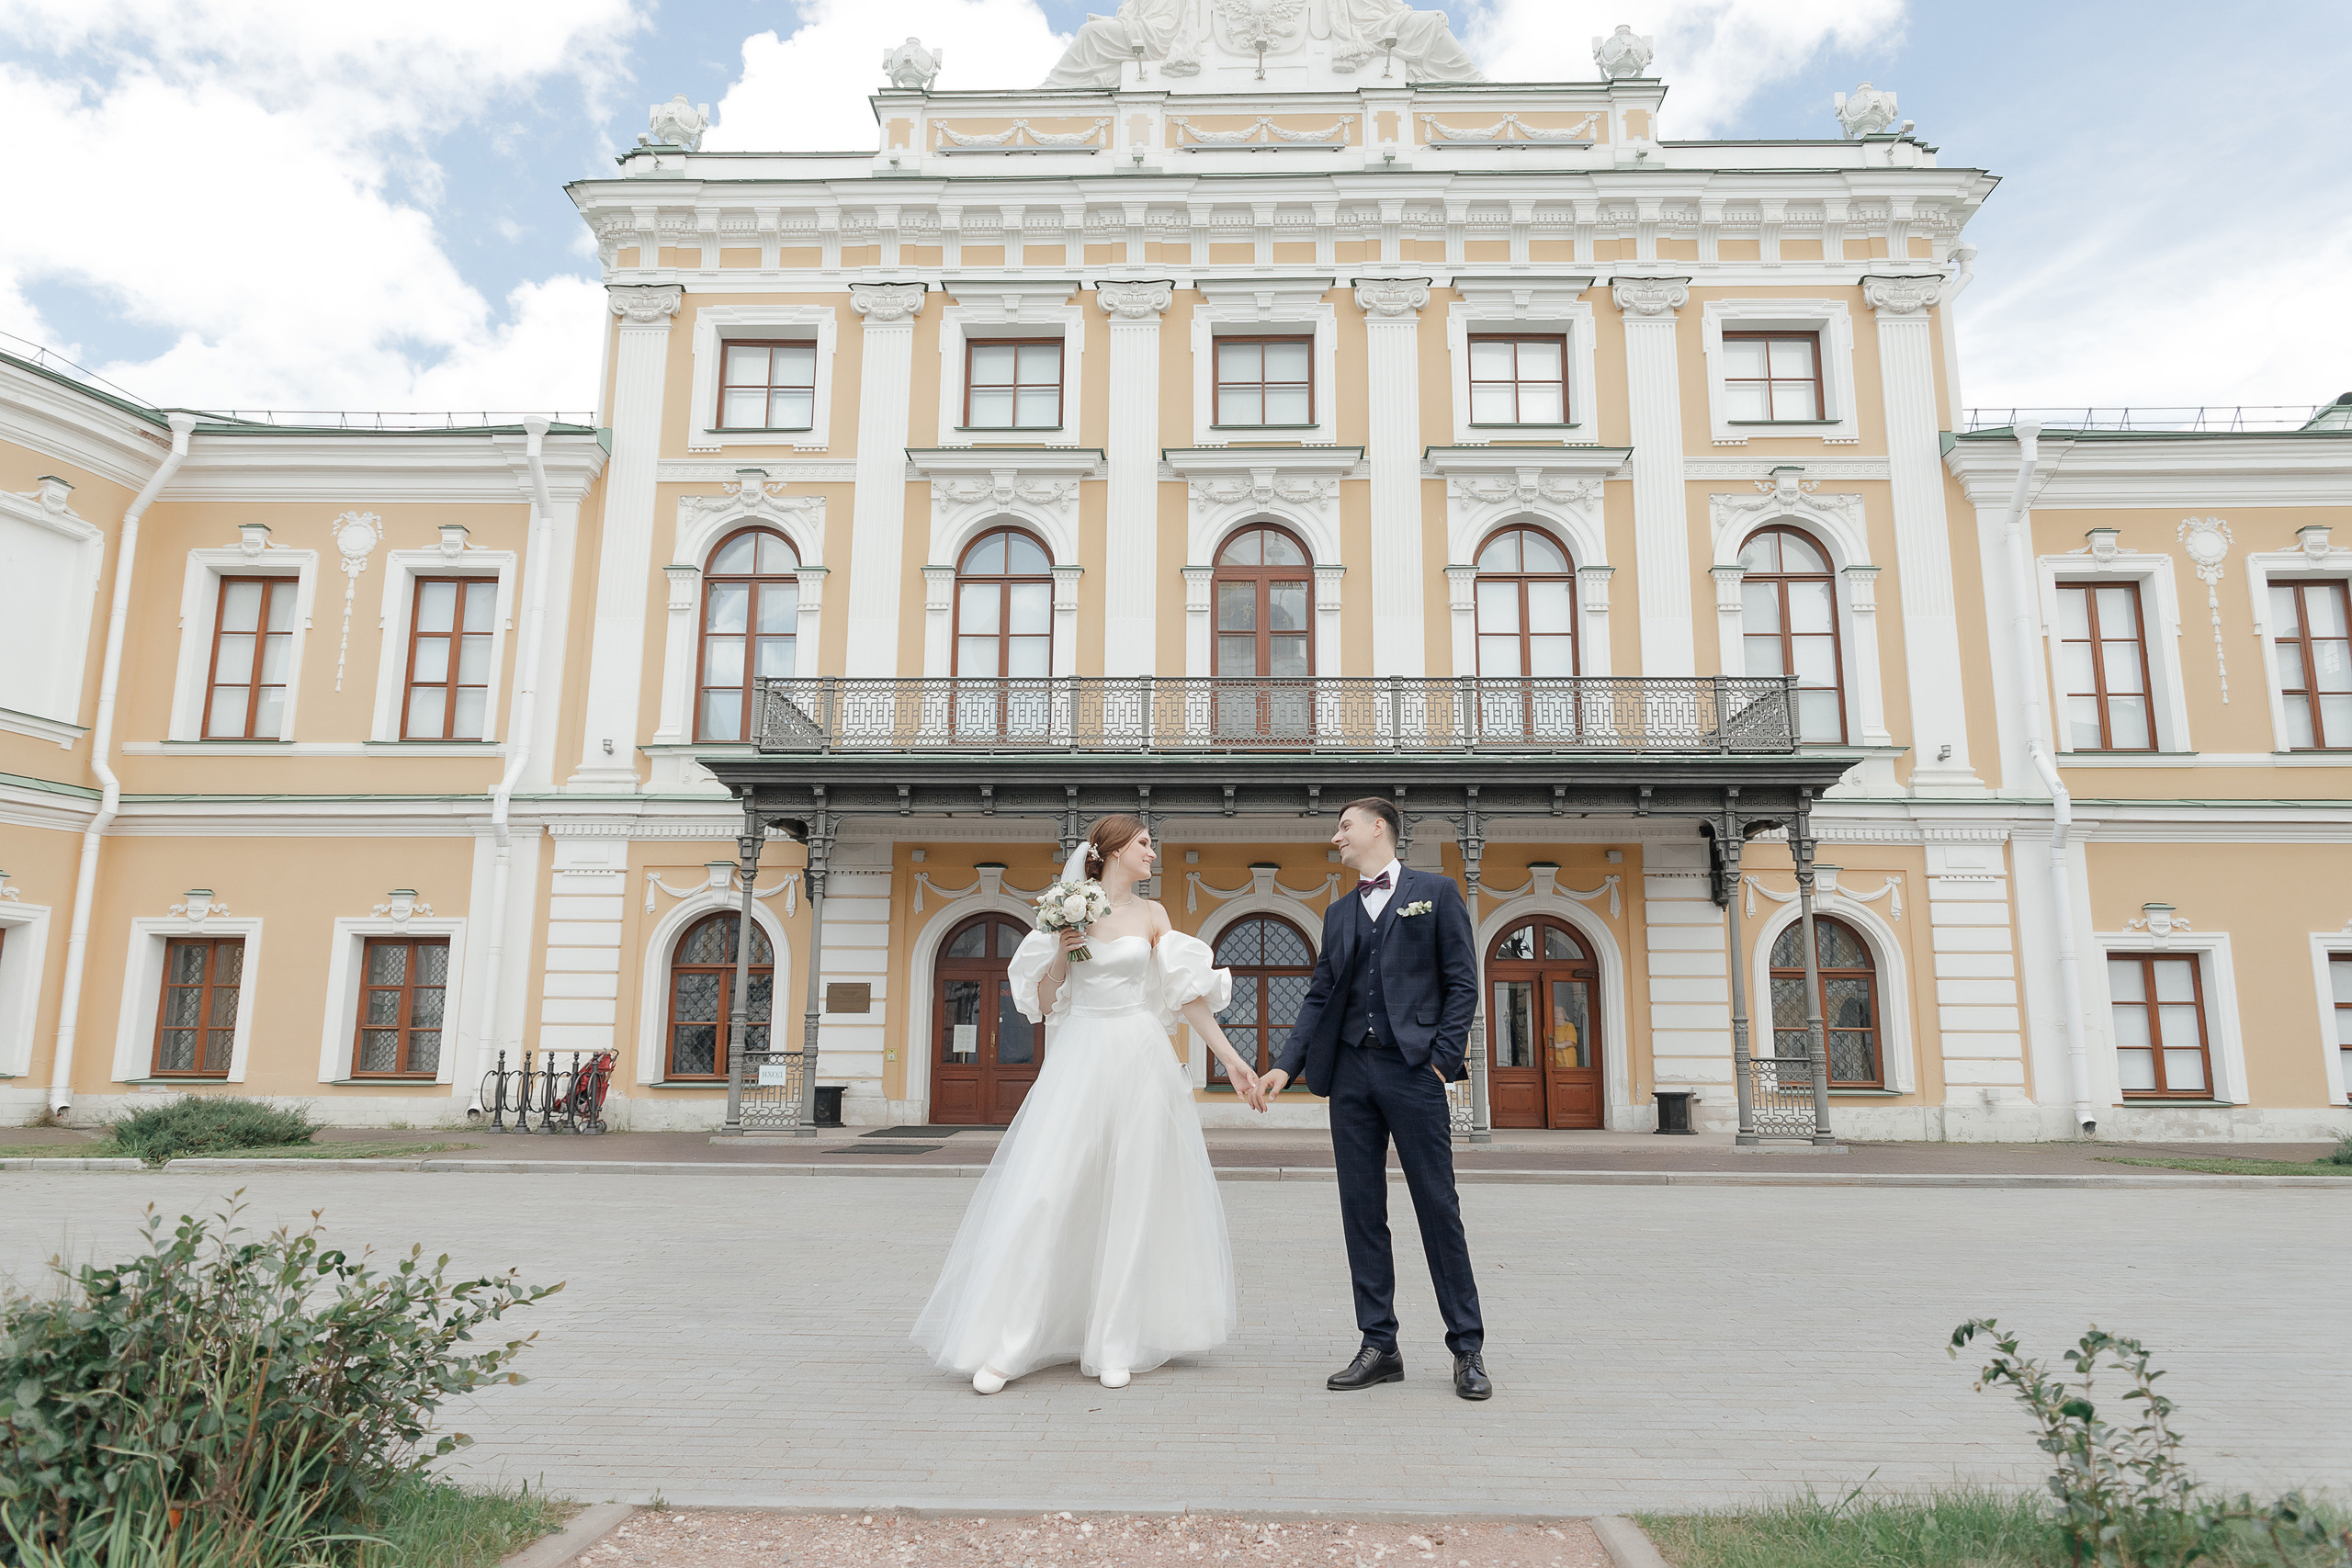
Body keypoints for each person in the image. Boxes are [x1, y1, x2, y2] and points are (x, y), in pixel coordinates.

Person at [910, 814, 1266, 1393]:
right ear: (1112, 850)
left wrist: (1229, 1058)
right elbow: (1045, 1001)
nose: (1154, 853)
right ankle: (1011, 1342)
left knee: (1133, 1194)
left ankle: (1115, 1340)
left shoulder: (1153, 916)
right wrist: (1061, 953)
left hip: (1141, 1056)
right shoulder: (1064, 908)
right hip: (1080, 1056)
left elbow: (1186, 993)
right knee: (1048, 1192)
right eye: (1145, 844)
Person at [1258, 797, 1492, 1400]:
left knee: (1438, 1207)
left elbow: (1463, 981)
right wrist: (1287, 1067)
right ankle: (1379, 1342)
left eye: (1345, 825)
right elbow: (1319, 994)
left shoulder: (1435, 893)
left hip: (1413, 1071)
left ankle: (1467, 1347)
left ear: (1378, 826)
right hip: (1351, 1075)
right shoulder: (1337, 913)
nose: (1336, 836)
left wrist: (1440, 1060)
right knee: (1361, 1210)